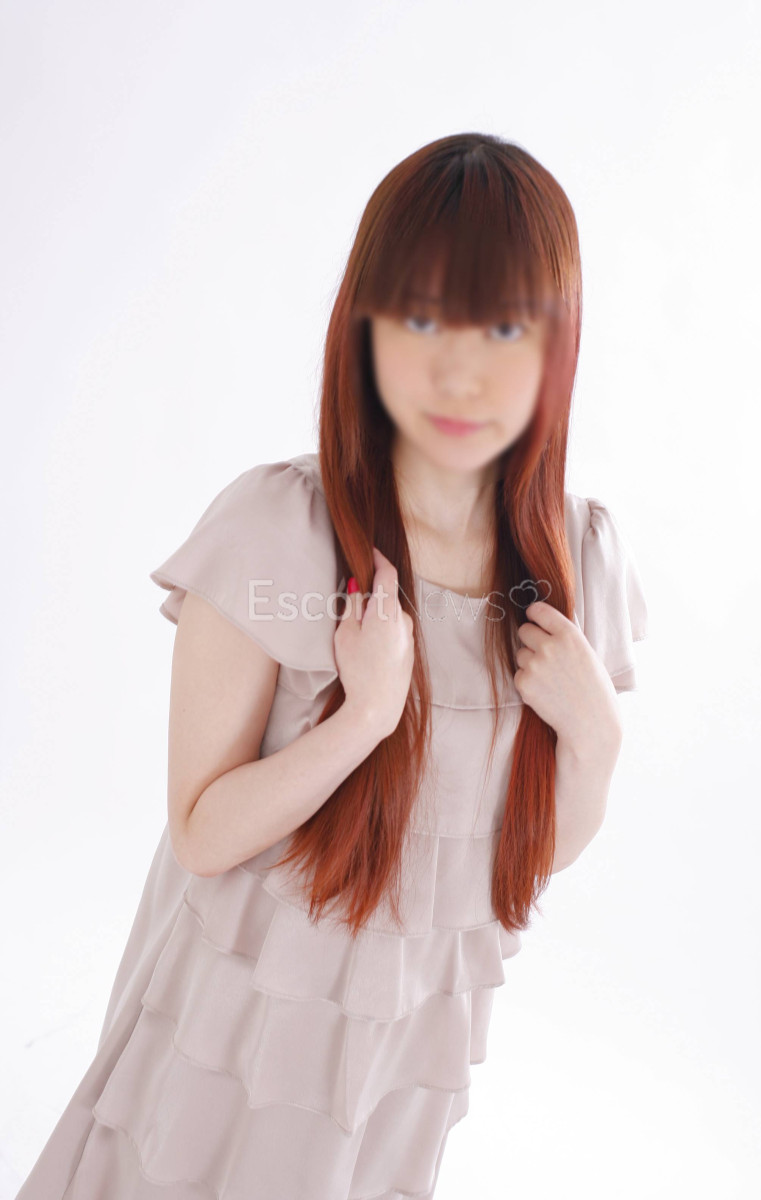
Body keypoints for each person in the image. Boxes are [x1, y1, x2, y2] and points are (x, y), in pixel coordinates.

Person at [15, 131, 648, 1199]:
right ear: (366, 328)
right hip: (235, 1022)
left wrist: (597, 733)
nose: (461, 371)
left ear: (556, 342)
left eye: (502, 326)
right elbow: (202, 830)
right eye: (423, 319)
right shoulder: (280, 528)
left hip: (404, 1046)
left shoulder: (575, 556)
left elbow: (525, 862)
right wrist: (362, 719)